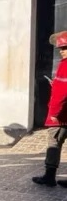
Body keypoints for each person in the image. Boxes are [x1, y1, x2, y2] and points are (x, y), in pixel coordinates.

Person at [33, 31, 67, 186]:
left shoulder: (65, 65)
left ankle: (49, 176)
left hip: (62, 116)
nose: (61, 51)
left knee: (53, 144)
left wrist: (54, 113)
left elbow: (62, 94)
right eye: (61, 48)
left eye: (65, 47)